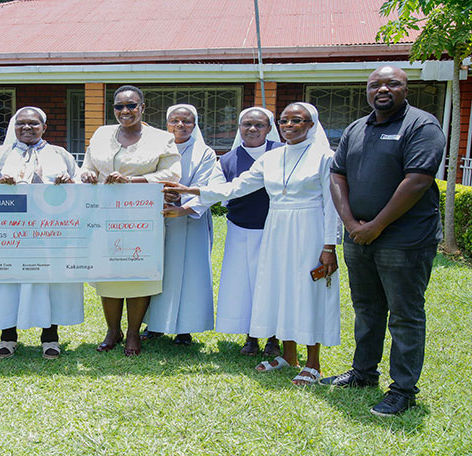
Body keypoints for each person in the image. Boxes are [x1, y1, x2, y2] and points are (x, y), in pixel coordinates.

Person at [164, 102, 341, 385]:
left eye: (298, 120)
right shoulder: (272, 158)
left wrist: (329, 245)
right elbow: (237, 186)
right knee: (279, 288)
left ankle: (313, 363)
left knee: (307, 291)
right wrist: (192, 190)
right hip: (276, 227)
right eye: (285, 120)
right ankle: (289, 355)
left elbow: (333, 204)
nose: (290, 126)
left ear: (311, 125)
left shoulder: (324, 157)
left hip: (310, 228)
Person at [323, 66, 445, 416]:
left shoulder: (422, 126)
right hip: (359, 236)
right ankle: (363, 373)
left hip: (405, 240)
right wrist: (350, 223)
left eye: (393, 83)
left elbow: (418, 180)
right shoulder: (356, 129)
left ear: (406, 89)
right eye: (375, 84)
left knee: (405, 315)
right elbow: (337, 174)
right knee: (367, 309)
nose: (383, 89)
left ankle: (403, 390)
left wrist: (376, 225)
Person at [0, 106, 84, 359]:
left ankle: (50, 338)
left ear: (44, 127)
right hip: (8, 233)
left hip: (51, 233)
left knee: (49, 283)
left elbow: (82, 187)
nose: (27, 128)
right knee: (8, 283)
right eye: (21, 124)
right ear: (14, 127)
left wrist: (71, 183)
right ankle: (8, 337)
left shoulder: (60, 154)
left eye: (33, 124)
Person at [80, 85, 181, 356]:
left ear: (143, 107)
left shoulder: (161, 138)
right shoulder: (101, 134)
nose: (125, 111)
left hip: (142, 217)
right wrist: (87, 174)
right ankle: (113, 330)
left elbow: (173, 172)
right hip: (104, 214)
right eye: (119, 106)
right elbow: (88, 165)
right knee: (108, 273)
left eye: (131, 105)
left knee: (139, 272)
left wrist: (134, 180)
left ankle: (134, 333)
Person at [143, 104, 220, 345]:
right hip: (157, 219)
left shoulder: (204, 153)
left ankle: (185, 328)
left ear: (195, 125)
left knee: (189, 275)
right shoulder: (154, 149)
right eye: (175, 120)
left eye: (187, 121)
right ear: (167, 124)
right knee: (157, 272)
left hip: (189, 222)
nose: (180, 125)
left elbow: (207, 185)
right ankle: (154, 324)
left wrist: (182, 205)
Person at [216, 107, 284, 357]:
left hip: (275, 230)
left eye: (259, 124)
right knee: (246, 286)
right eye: (247, 124)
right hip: (240, 230)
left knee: (273, 284)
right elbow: (220, 193)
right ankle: (251, 336)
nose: (252, 129)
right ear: (239, 127)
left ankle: (275, 339)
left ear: (269, 128)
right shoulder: (227, 159)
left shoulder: (281, 153)